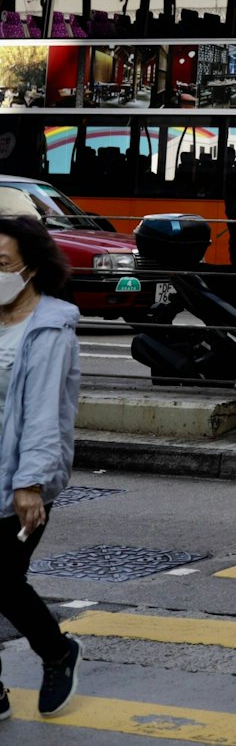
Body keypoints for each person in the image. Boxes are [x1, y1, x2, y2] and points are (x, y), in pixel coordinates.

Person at [0, 217, 85, 720]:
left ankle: (57, 653)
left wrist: (29, 483)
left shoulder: (50, 328)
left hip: (22, 479)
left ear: (30, 268)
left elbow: (43, 415)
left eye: (3, 264)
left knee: (4, 581)